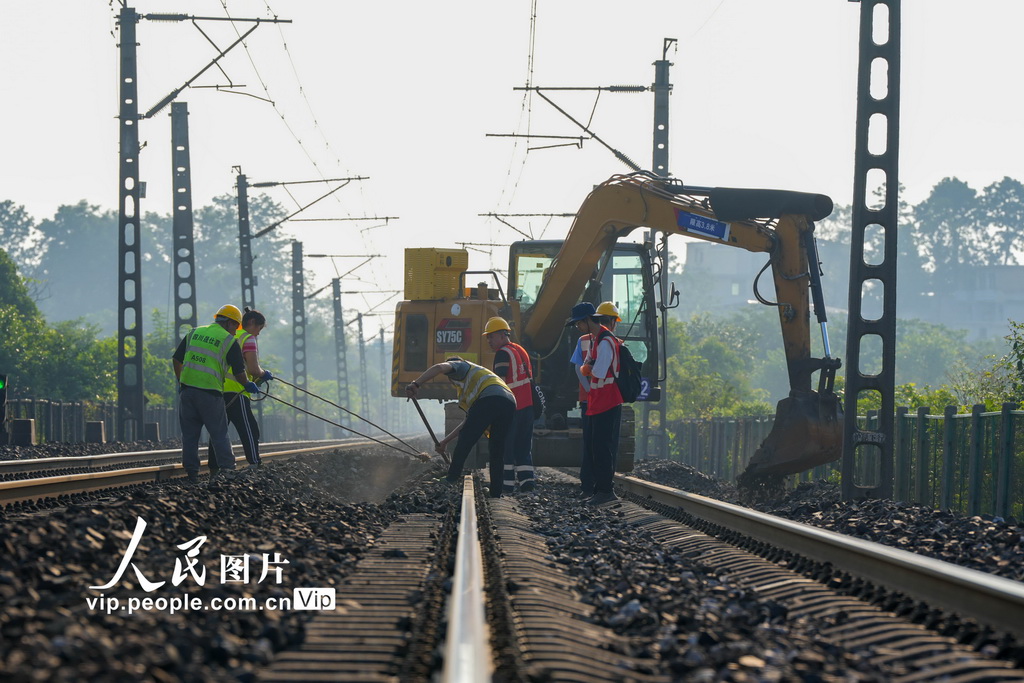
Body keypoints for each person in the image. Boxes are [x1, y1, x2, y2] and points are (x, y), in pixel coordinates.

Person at [172, 304, 260, 485]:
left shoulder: (194, 332)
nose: (236, 331)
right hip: (210, 393)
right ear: (228, 323)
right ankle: (228, 470)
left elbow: (176, 359)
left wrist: (181, 382)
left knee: (190, 436)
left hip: (187, 392)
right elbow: (239, 371)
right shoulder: (229, 341)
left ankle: (192, 474)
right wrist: (248, 384)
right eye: (235, 326)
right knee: (219, 433)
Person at [405, 357, 515, 498]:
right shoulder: (478, 382)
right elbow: (468, 423)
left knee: (465, 440)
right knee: (497, 449)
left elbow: (439, 367)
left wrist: (416, 384)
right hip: (509, 402)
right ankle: (495, 492)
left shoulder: (461, 366)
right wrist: (444, 442)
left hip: (490, 399)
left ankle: (452, 477)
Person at [207, 306, 273, 473]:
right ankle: (254, 463)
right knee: (249, 428)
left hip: (217, 389)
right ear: (251, 323)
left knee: (218, 431)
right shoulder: (247, 338)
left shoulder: (226, 335)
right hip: (236, 390)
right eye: (259, 329)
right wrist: (264, 374)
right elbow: (252, 369)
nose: (258, 334)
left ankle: (214, 469)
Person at [575, 301, 624, 505]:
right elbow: (586, 366)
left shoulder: (605, 342)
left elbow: (598, 371)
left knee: (603, 447)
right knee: (596, 446)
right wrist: (589, 367)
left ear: (588, 320)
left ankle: (606, 490)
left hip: (608, 401)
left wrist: (589, 368)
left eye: (579, 323)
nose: (578, 328)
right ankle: (599, 489)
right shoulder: (596, 340)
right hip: (598, 400)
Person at [483, 316, 536, 494]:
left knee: (505, 447)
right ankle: (527, 483)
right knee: (523, 447)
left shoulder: (503, 353)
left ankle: (506, 485)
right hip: (527, 407)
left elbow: (501, 384)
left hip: (511, 409)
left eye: (491, 336)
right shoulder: (520, 350)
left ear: (501, 334)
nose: (489, 340)